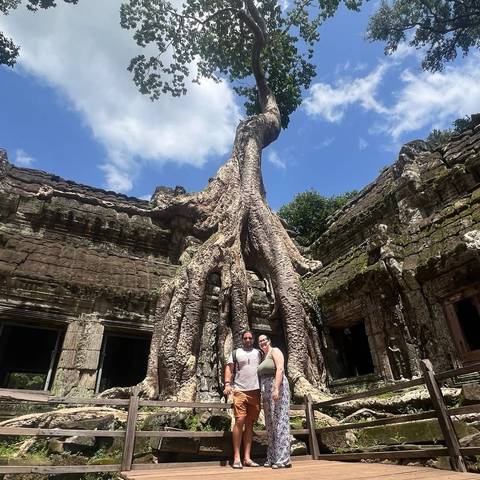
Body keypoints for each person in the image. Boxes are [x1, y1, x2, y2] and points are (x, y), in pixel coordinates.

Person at [223, 330, 262, 469]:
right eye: (245, 338)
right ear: (241, 339)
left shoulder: (259, 353)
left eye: (250, 338)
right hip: (239, 390)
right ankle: (236, 457)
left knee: (250, 424)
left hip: (255, 391)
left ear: (253, 339)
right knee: (239, 420)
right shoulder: (236, 353)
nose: (247, 340)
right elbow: (229, 368)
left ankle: (247, 457)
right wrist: (227, 384)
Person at [257, 334, 291, 468]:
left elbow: (280, 369)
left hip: (277, 386)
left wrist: (276, 388)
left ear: (269, 341)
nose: (262, 342)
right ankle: (272, 457)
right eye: (260, 341)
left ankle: (283, 459)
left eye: (264, 340)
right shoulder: (262, 357)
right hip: (266, 390)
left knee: (280, 422)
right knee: (270, 424)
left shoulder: (275, 351)